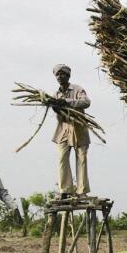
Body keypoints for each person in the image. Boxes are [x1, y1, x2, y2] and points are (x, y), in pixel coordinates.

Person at [50, 63, 92, 196]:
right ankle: (65, 190)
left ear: (68, 76)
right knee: (62, 158)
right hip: (63, 129)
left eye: (62, 74)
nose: (60, 77)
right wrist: (56, 108)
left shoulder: (77, 89)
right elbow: (58, 115)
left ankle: (82, 190)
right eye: (57, 74)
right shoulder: (55, 94)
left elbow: (86, 102)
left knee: (81, 159)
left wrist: (68, 102)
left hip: (78, 128)